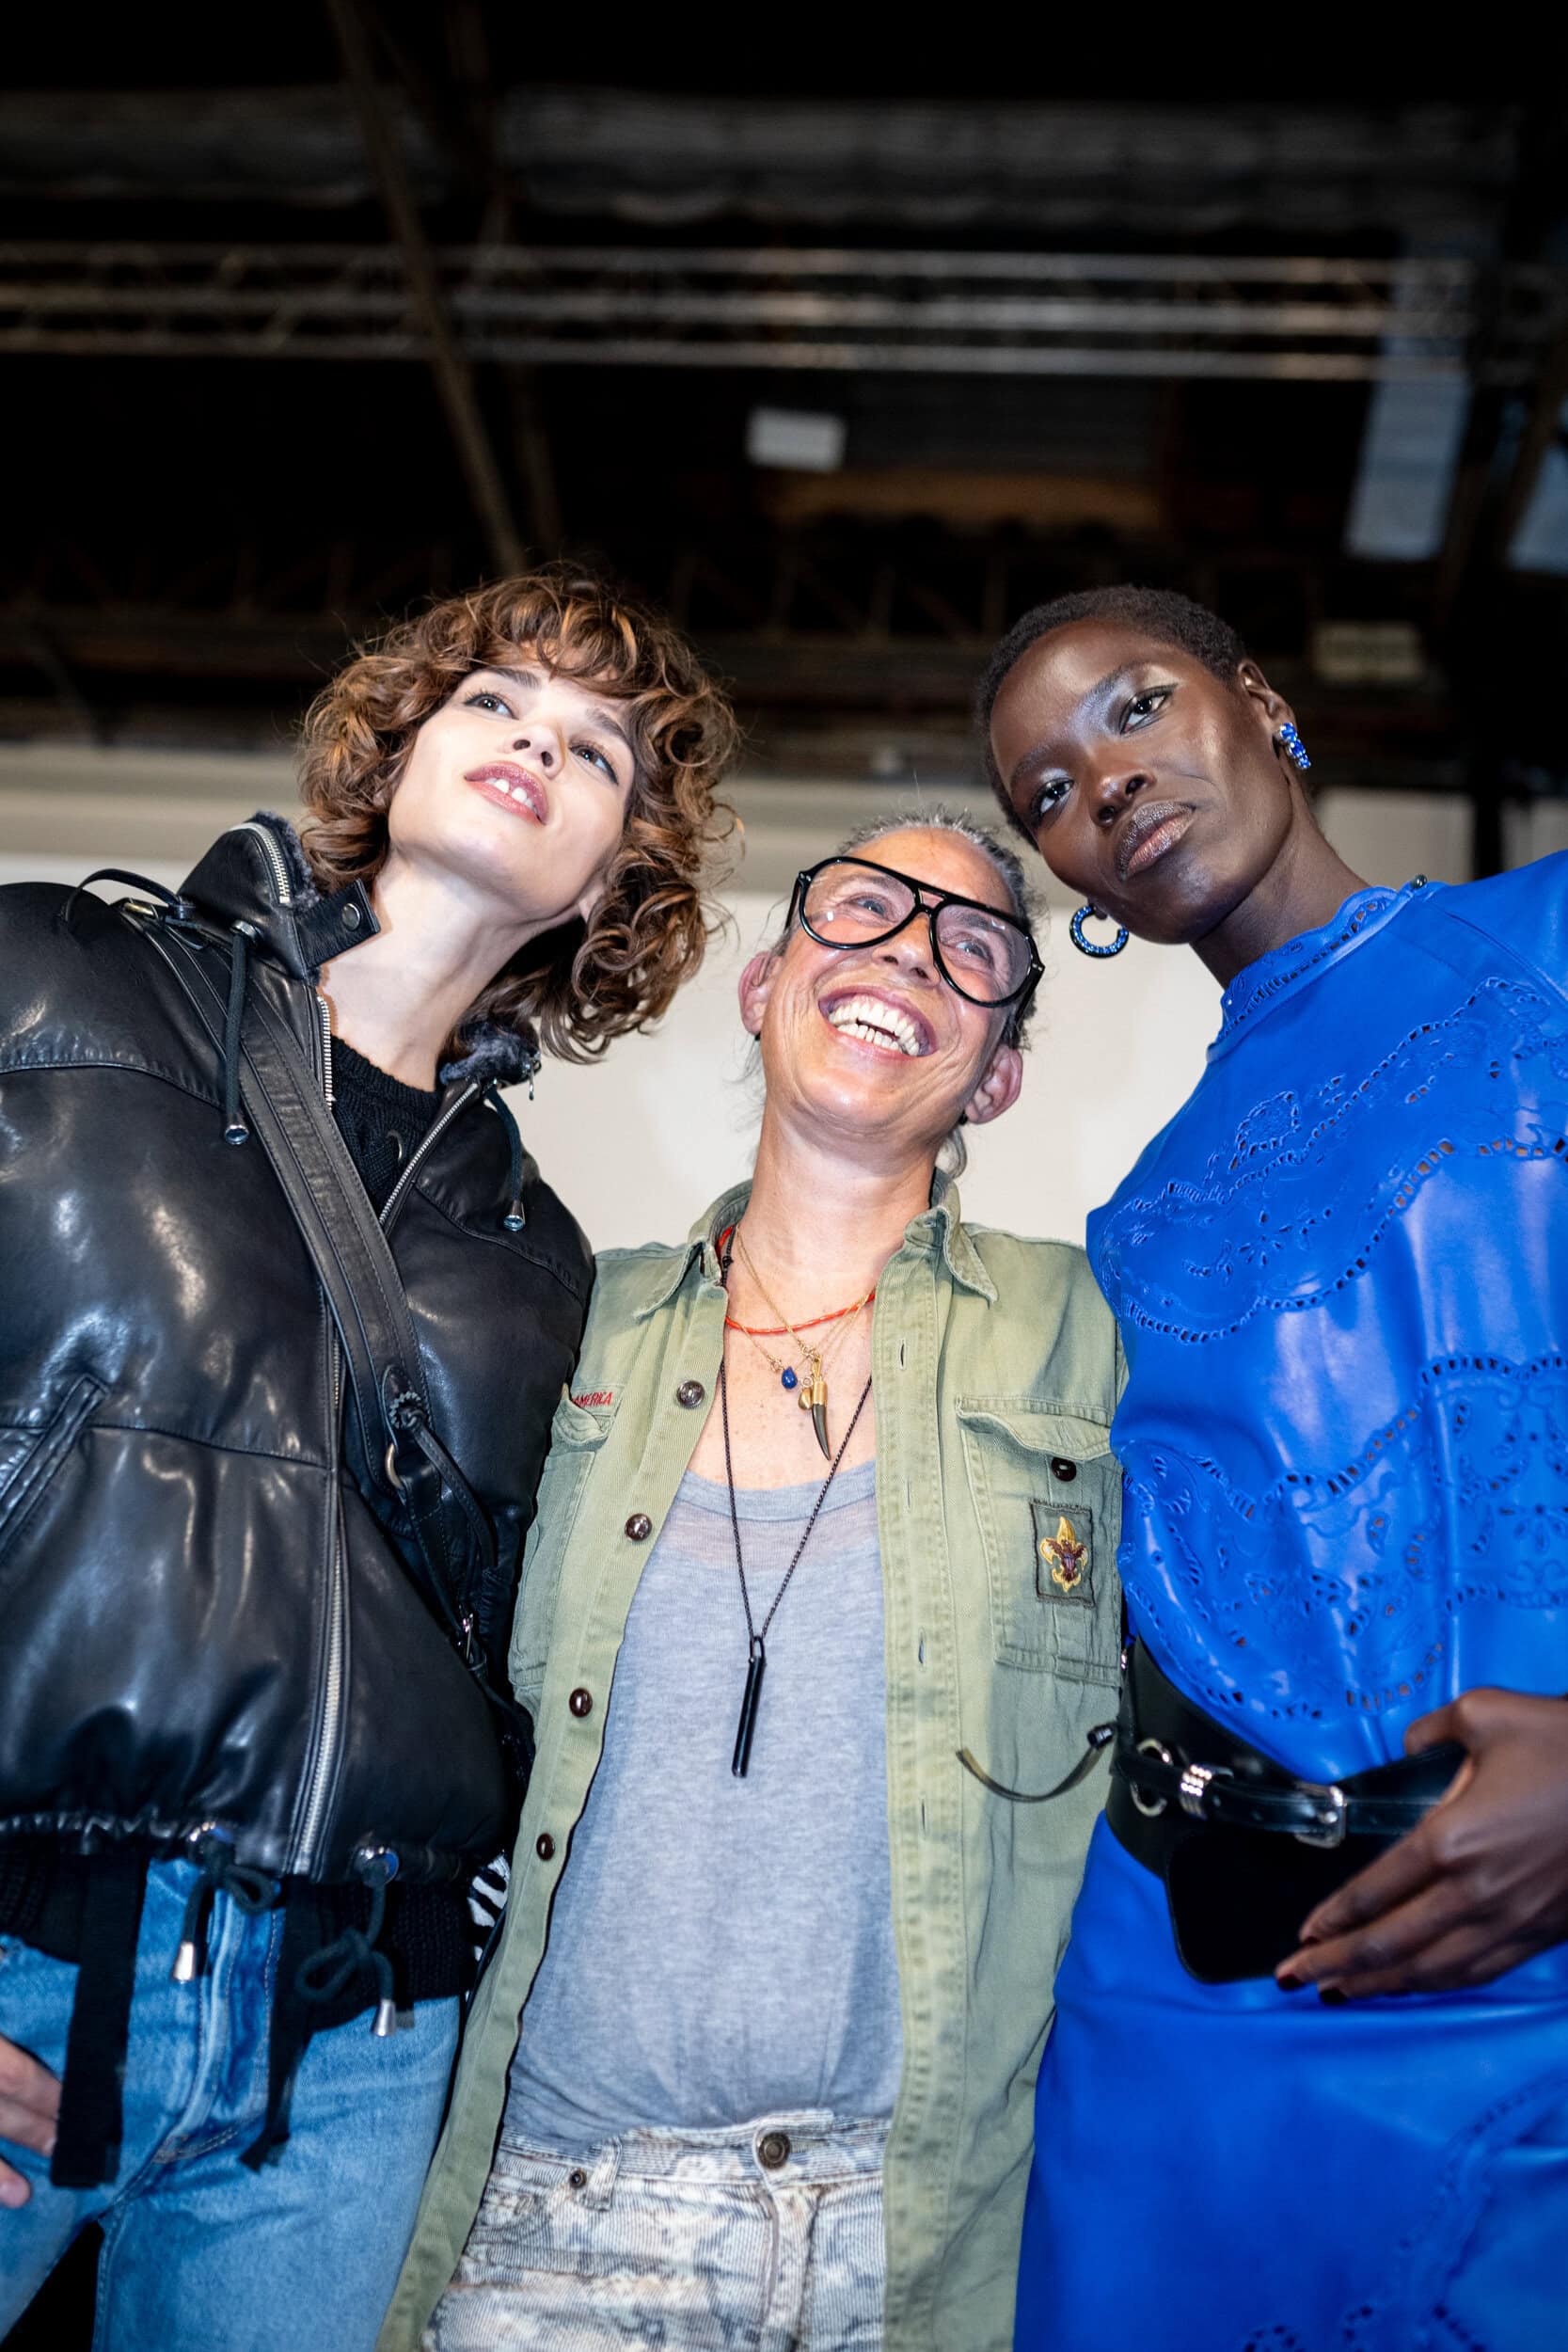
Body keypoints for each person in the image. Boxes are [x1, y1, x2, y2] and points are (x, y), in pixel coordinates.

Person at [0, 563, 736, 2351]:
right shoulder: (52, 978)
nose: (534, 745)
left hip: (358, 2045)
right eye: (494, 702)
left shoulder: (537, 1256)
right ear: (398, 743)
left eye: (597, 752)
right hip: (32, 1948)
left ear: (612, 876)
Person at [376, 810, 1124, 2352]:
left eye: (970, 945)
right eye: (861, 911)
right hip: (555, 2225)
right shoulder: (564, 1322)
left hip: (924, 2248)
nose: (908, 950)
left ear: (998, 1073)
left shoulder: (1092, 1333)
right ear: (765, 984)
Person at [981, 583, 1568, 2351]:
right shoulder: (1141, 1215)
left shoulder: (1549, 945)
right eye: (1050, 795)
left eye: (1138, 708)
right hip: (1194, 1993)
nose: (1108, 786)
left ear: (1263, 701)